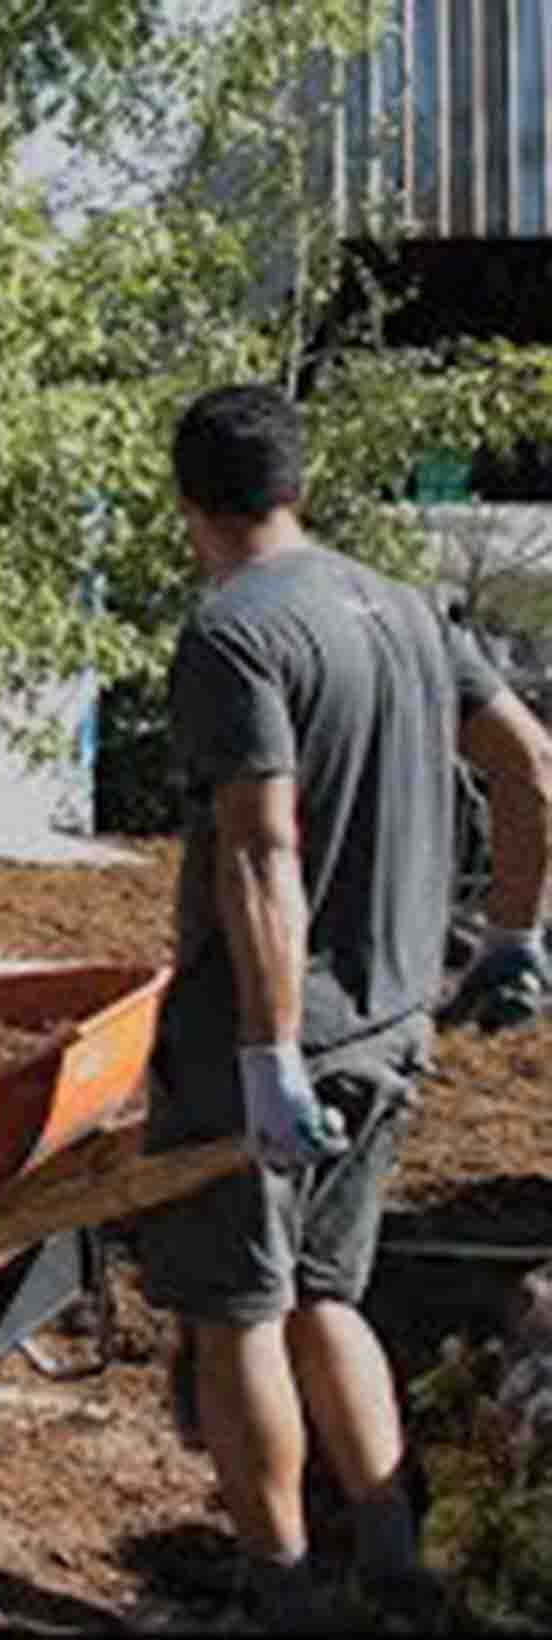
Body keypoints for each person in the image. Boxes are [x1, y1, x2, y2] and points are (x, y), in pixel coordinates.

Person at [138, 384, 552, 1630]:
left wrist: (263, 1057)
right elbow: (530, 762)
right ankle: (393, 1571)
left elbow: (258, 855)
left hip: (271, 1041)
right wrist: (515, 932)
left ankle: (280, 1602)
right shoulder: (409, 610)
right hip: (390, 1025)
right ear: (297, 486)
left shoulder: (234, 635)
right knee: (329, 1294)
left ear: (186, 502)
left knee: (234, 1316)